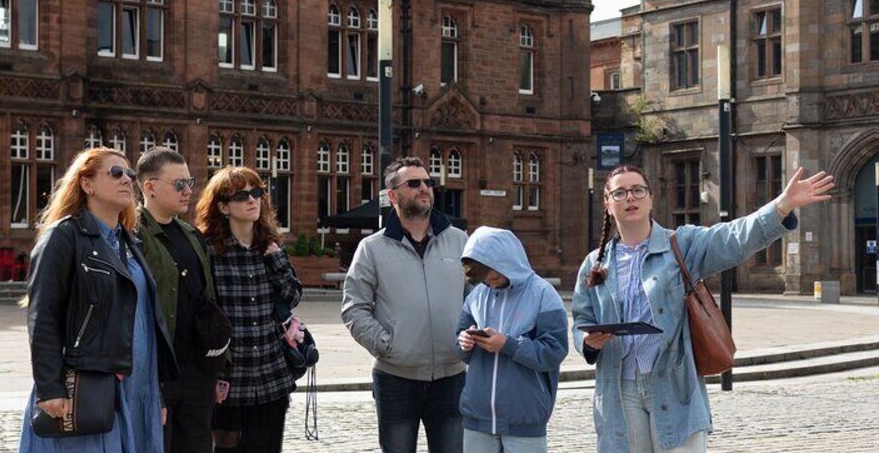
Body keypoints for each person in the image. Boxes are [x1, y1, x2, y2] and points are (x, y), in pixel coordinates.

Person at [572, 165, 834, 453]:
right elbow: (582, 318)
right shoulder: (595, 263)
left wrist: (781, 206)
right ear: (608, 204)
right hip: (620, 391)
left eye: (638, 190)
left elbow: (733, 238)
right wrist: (586, 341)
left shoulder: (681, 244)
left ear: (651, 198)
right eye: (620, 193)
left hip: (674, 384)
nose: (630, 197)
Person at [18, 147, 179, 452]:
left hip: (137, 383)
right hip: (89, 382)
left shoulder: (130, 242)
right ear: (87, 184)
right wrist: (50, 387)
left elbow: (147, 319)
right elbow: (43, 316)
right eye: (116, 173)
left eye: (129, 173)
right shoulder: (63, 237)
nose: (127, 179)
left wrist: (156, 392)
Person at [342, 156, 469, 453]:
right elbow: (354, 307)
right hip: (396, 378)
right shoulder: (371, 248)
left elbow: (476, 299)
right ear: (393, 195)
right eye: (414, 183)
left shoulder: (460, 241)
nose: (424, 188)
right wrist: (387, 345)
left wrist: (467, 339)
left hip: (451, 378)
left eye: (428, 182)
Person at [196, 166, 302, 453]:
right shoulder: (209, 250)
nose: (252, 200)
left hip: (271, 374)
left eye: (256, 193)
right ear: (223, 207)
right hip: (229, 377)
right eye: (241, 196)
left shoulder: (270, 246)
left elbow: (292, 297)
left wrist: (277, 261)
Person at [136, 147, 226, 453]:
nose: (188, 191)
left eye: (190, 182)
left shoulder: (191, 234)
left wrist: (218, 369)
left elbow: (208, 301)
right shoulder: (132, 234)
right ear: (150, 187)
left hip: (197, 372)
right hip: (157, 372)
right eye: (179, 184)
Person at [456, 226, 568, 453]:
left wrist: (508, 345)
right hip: (477, 416)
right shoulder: (476, 295)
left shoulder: (543, 294)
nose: (491, 285)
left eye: (496, 278)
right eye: (486, 281)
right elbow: (458, 343)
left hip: (524, 415)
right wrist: (464, 343)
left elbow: (554, 351)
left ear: (509, 264)